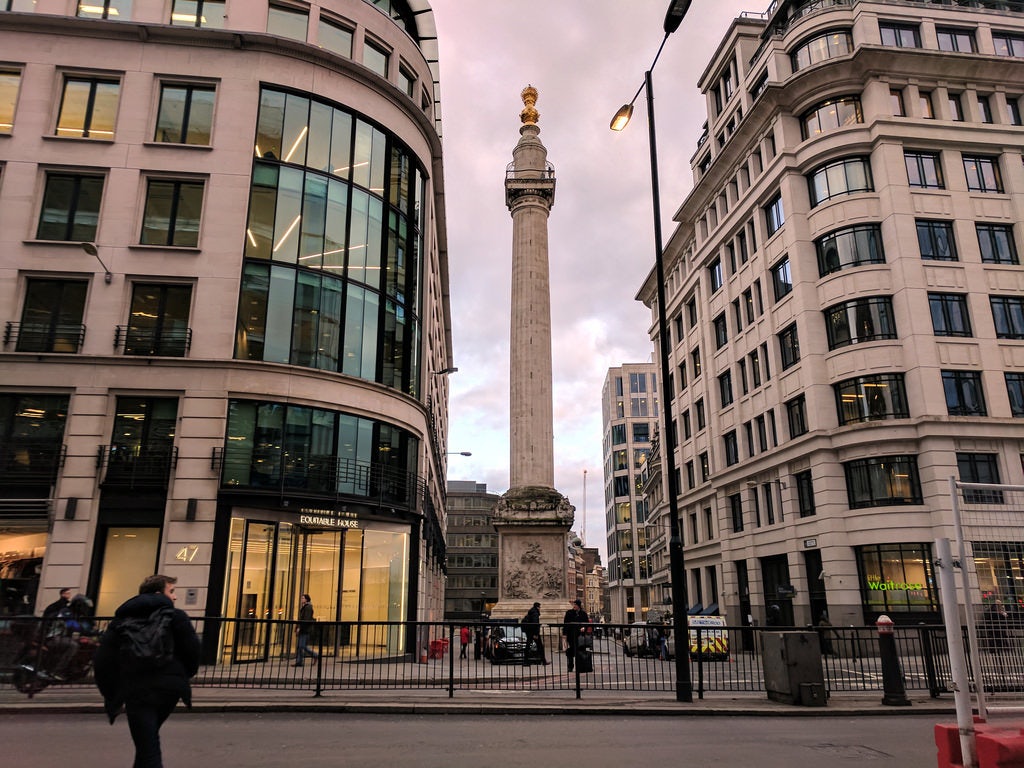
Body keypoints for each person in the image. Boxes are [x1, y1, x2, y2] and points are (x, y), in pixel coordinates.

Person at [94, 574, 201, 768]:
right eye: (172, 591)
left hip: (137, 689)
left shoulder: (121, 621)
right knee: (147, 743)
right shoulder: (176, 617)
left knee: (147, 744)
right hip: (169, 689)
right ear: (159, 593)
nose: (175, 597)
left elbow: (103, 661)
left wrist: (112, 694)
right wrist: (182, 676)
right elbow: (193, 651)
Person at [561, 599, 590, 673]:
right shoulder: (569, 613)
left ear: (579, 606)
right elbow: (565, 624)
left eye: (576, 605)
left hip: (580, 636)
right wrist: (564, 634)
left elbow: (586, 623)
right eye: (574, 604)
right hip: (571, 635)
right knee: (570, 651)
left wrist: (584, 627)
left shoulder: (583, 614)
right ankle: (570, 666)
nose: (574, 606)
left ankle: (580, 666)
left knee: (580, 651)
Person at [294, 593, 318, 666]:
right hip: (303, 629)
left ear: (306, 599)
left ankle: (314, 655)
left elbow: (305, 619)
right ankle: (299, 661)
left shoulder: (308, 607)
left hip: (305, 629)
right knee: (300, 646)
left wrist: (299, 628)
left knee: (302, 646)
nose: (302, 599)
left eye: (303, 598)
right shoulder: (305, 607)